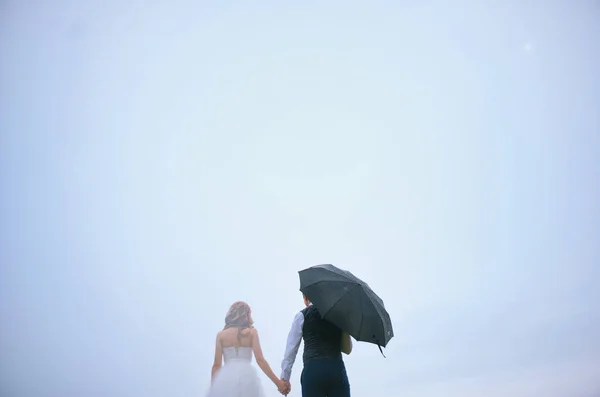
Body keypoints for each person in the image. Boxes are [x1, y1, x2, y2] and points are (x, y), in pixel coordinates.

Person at [206, 301, 288, 397]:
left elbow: (216, 366)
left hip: (225, 378)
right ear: (247, 315)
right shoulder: (251, 332)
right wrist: (278, 383)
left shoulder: (221, 335)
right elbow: (260, 360)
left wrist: (214, 389)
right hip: (247, 376)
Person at [279, 293, 353, 397]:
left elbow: (291, 350)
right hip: (336, 370)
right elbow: (347, 349)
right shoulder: (339, 315)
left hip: (313, 370)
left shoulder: (302, 315)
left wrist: (285, 378)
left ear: (306, 298)